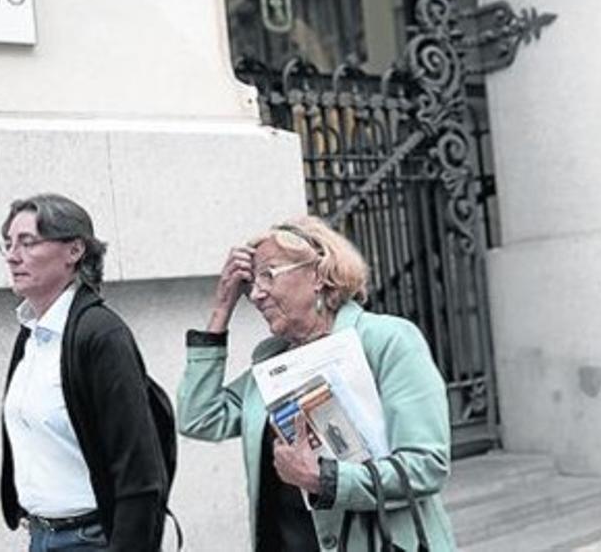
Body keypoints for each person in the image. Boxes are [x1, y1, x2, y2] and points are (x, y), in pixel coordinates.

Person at [177, 216, 457, 551]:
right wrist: (222, 308)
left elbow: (426, 467)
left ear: (319, 273)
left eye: (268, 275)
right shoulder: (270, 365)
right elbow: (198, 417)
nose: (255, 294)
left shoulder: (388, 341)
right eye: (251, 283)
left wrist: (324, 480)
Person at [0, 194, 169, 550]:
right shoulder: (31, 334)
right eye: (8, 244)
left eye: (28, 243)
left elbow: (140, 471)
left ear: (74, 250)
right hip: (41, 536)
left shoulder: (100, 334)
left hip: (90, 540)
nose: (13, 256)